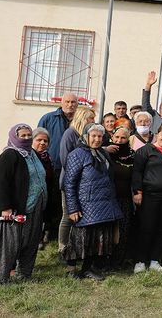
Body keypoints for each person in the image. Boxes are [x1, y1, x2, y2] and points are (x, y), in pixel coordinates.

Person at [0, 124, 47, 284]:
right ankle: (2, 278)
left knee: (31, 241)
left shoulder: (32, 154)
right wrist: (5, 207)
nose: (27, 138)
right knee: (10, 244)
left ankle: (25, 274)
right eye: (23, 135)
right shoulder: (9, 155)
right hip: (14, 209)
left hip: (34, 207)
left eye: (29, 135)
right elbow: (1, 183)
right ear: (15, 137)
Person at [63, 124, 122, 280]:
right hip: (85, 204)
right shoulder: (77, 154)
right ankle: (71, 269)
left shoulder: (103, 154)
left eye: (100, 137)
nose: (97, 139)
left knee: (97, 239)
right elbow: (69, 183)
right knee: (79, 238)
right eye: (93, 136)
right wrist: (73, 208)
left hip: (103, 203)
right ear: (86, 136)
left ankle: (88, 268)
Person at [132, 124, 162, 273]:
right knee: (147, 228)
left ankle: (155, 260)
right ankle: (140, 261)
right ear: (157, 135)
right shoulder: (145, 151)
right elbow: (137, 172)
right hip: (149, 196)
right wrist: (137, 192)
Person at [58, 106, 96, 253]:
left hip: (84, 183)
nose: (93, 121)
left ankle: (75, 246)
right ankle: (63, 247)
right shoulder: (70, 134)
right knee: (68, 215)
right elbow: (64, 160)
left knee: (78, 215)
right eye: (90, 118)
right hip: (70, 182)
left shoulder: (86, 134)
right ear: (82, 118)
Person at [107, 126, 136, 268]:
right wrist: (105, 151)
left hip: (125, 199)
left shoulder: (133, 155)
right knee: (108, 231)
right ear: (112, 138)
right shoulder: (105, 153)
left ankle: (118, 261)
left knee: (123, 231)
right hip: (107, 199)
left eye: (123, 138)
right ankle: (104, 261)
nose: (119, 140)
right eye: (117, 137)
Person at [38, 93, 78, 174]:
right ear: (62, 103)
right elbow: (37, 141)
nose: (70, 105)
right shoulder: (48, 119)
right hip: (52, 165)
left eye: (73, 102)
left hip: (75, 166)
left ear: (77, 104)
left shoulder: (81, 121)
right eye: (67, 102)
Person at [31, 127, 57, 248]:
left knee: (44, 215)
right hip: (34, 194)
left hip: (47, 191)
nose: (42, 143)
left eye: (45, 141)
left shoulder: (47, 156)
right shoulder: (29, 157)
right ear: (32, 140)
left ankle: (41, 236)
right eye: (39, 140)